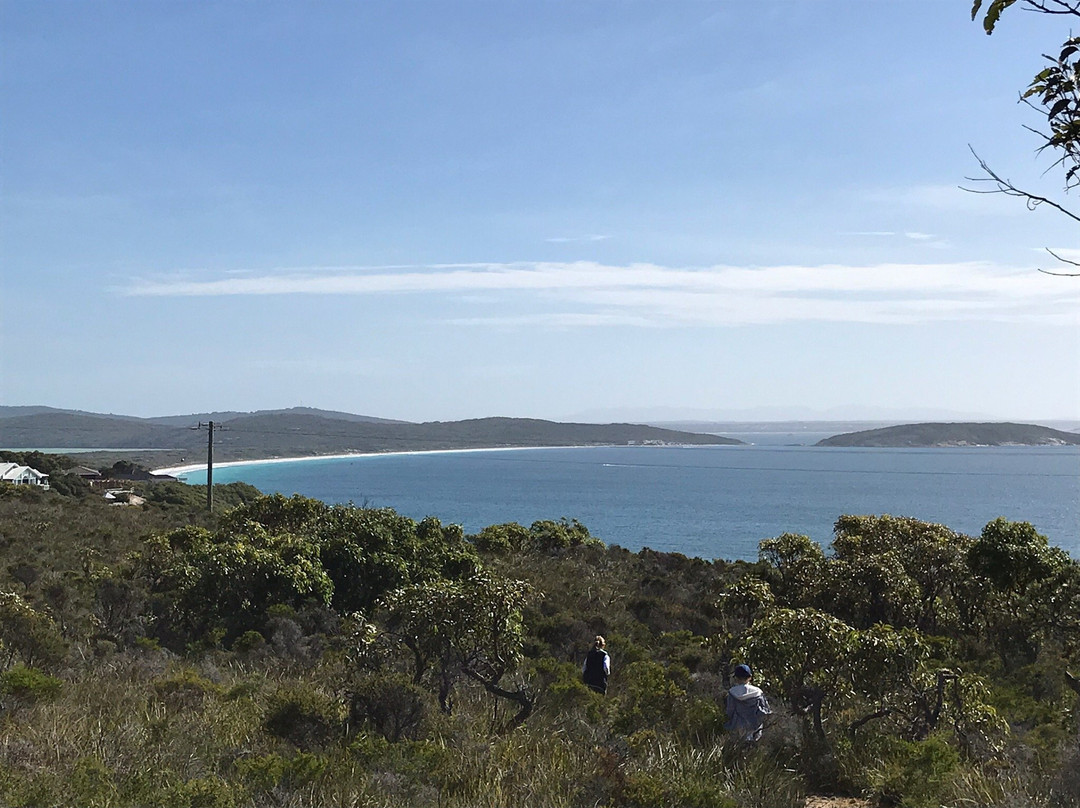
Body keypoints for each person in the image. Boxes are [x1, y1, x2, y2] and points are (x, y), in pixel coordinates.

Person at [725, 663, 771, 742]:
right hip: (754, 729)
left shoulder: (732, 693)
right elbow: (765, 711)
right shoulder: (758, 692)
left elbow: (730, 711)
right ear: (750, 677)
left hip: (737, 728)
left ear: (736, 678)